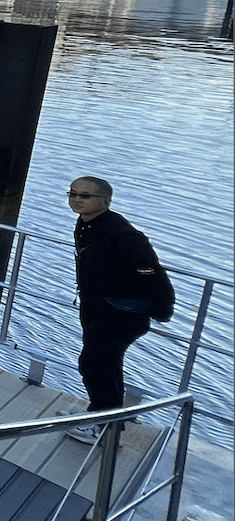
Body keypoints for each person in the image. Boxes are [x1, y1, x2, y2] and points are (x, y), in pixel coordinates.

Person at [66, 176, 173, 442]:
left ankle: (104, 427)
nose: (77, 199)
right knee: (104, 365)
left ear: (105, 201)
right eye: (73, 193)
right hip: (96, 306)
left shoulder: (123, 235)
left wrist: (162, 310)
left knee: (95, 365)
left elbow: (152, 274)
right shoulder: (86, 224)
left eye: (85, 196)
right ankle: (104, 417)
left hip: (121, 312)